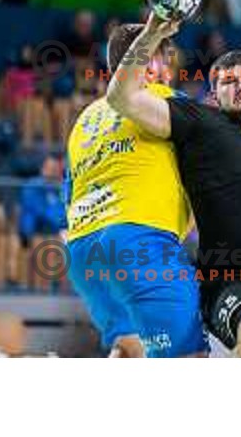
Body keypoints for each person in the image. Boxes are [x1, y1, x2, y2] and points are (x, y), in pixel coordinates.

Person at [106, 11, 241, 357]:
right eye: (228, 81)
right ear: (212, 96)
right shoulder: (197, 120)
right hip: (232, 282)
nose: (240, 87)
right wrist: (149, 36)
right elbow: (122, 97)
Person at [65, 22, 207, 358]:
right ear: (145, 63)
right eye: (163, 60)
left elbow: (69, 195)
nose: (169, 71)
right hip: (138, 243)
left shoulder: (85, 119)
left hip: (83, 251)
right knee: (188, 357)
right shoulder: (163, 99)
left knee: (130, 348)